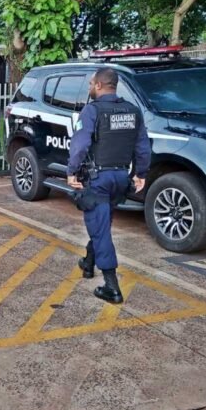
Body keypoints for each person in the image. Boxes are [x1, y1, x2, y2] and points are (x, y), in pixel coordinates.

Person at [67, 68, 151, 304]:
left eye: (91, 83)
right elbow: (143, 147)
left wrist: (71, 171)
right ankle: (88, 263)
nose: (90, 88)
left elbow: (80, 144)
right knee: (102, 224)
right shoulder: (133, 112)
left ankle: (111, 286)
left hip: (98, 180)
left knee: (101, 229)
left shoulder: (92, 110)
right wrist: (140, 173)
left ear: (101, 85)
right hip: (121, 179)